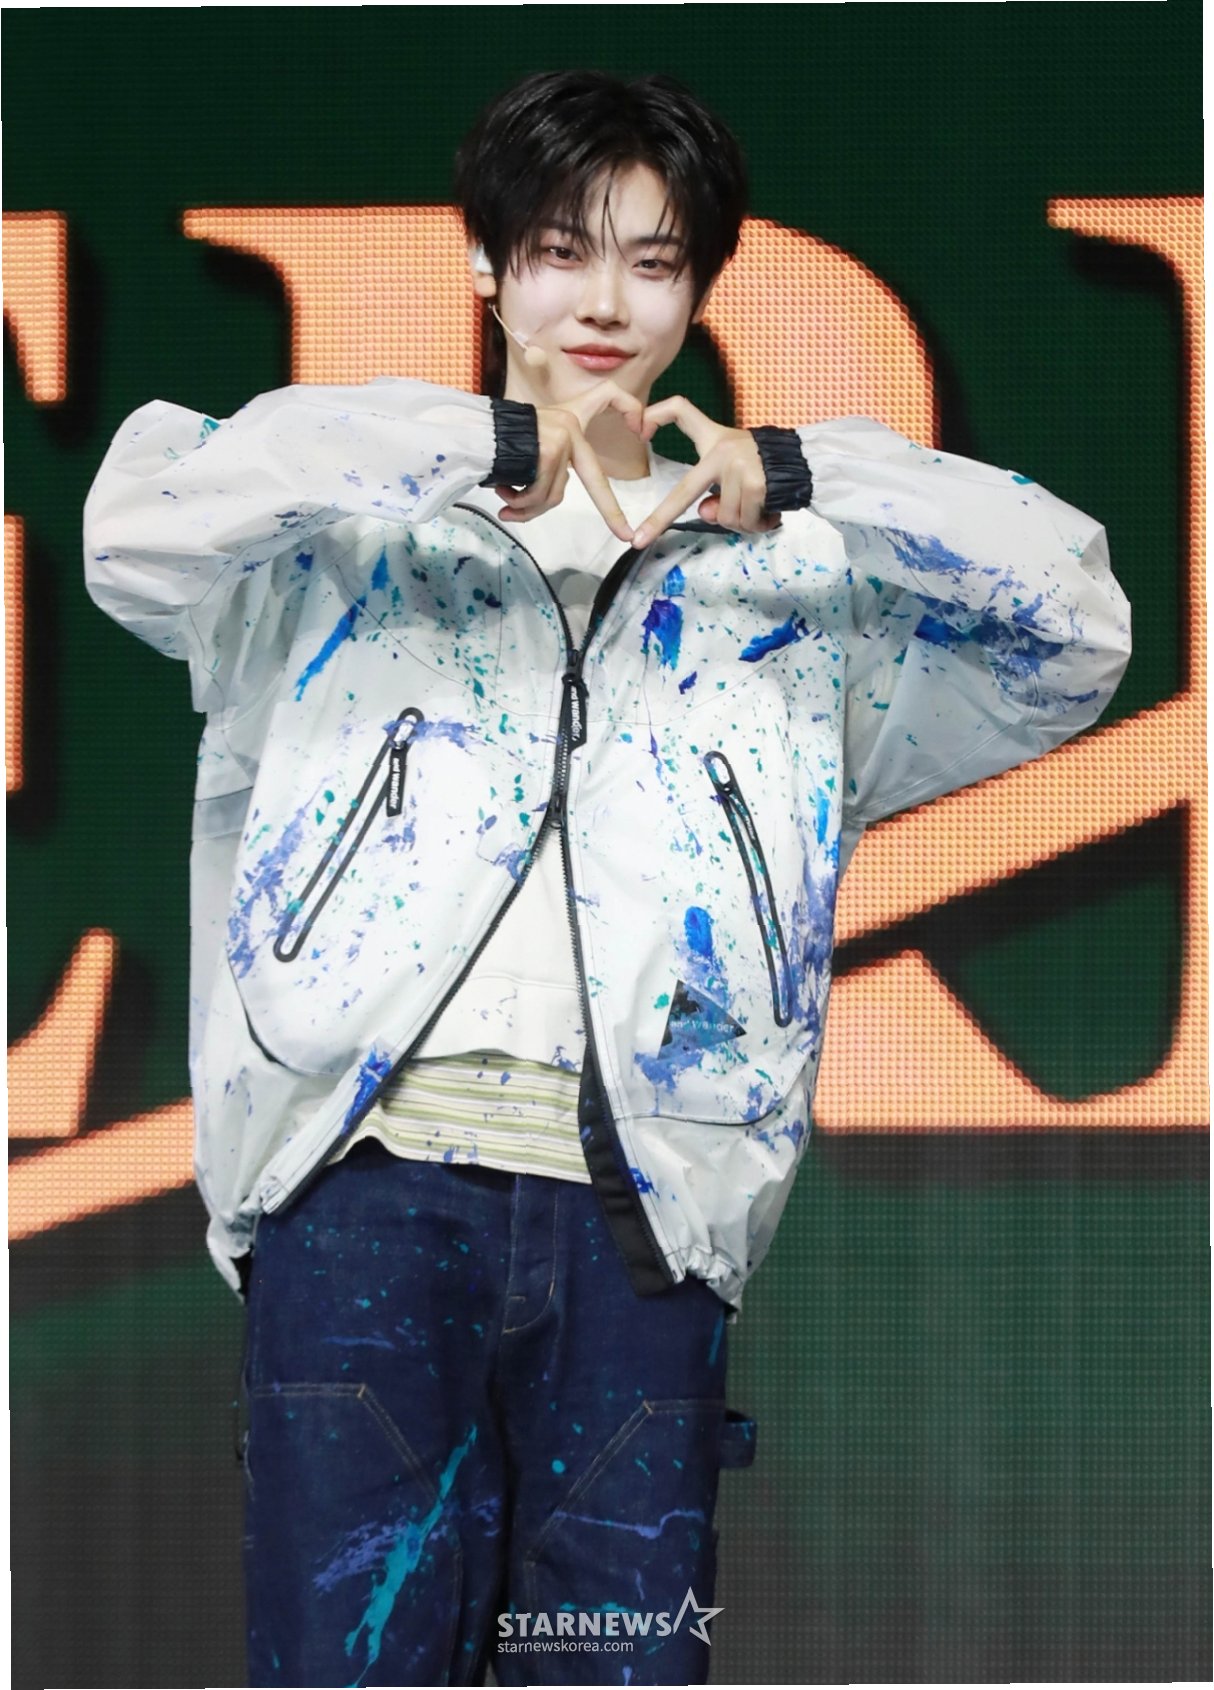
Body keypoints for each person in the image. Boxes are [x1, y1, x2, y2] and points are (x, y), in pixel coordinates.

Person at [82, 69, 1130, 1689]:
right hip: (362, 1199)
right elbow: (133, 522)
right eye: (562, 251)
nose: (603, 302)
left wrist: (807, 471)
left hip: (641, 1231)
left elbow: (1078, 624)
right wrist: (486, 443)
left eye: (652, 261)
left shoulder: (792, 587)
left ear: (700, 288)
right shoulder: (341, 541)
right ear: (488, 262)